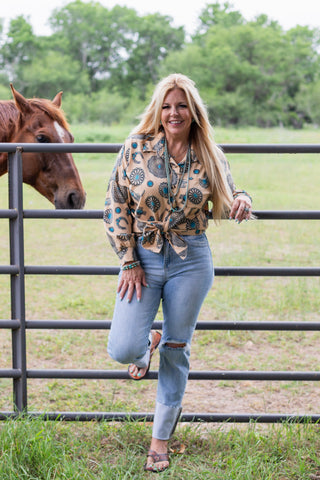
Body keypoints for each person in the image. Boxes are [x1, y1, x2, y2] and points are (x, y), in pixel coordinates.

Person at [104, 73, 252, 472]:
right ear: (158, 109)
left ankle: (159, 442)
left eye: (182, 105)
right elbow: (116, 201)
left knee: (177, 349)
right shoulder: (136, 146)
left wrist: (242, 199)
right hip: (145, 259)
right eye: (167, 105)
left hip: (192, 260)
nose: (174, 113)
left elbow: (227, 198)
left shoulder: (209, 153)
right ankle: (146, 340)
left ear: (194, 111)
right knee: (121, 348)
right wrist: (128, 258)